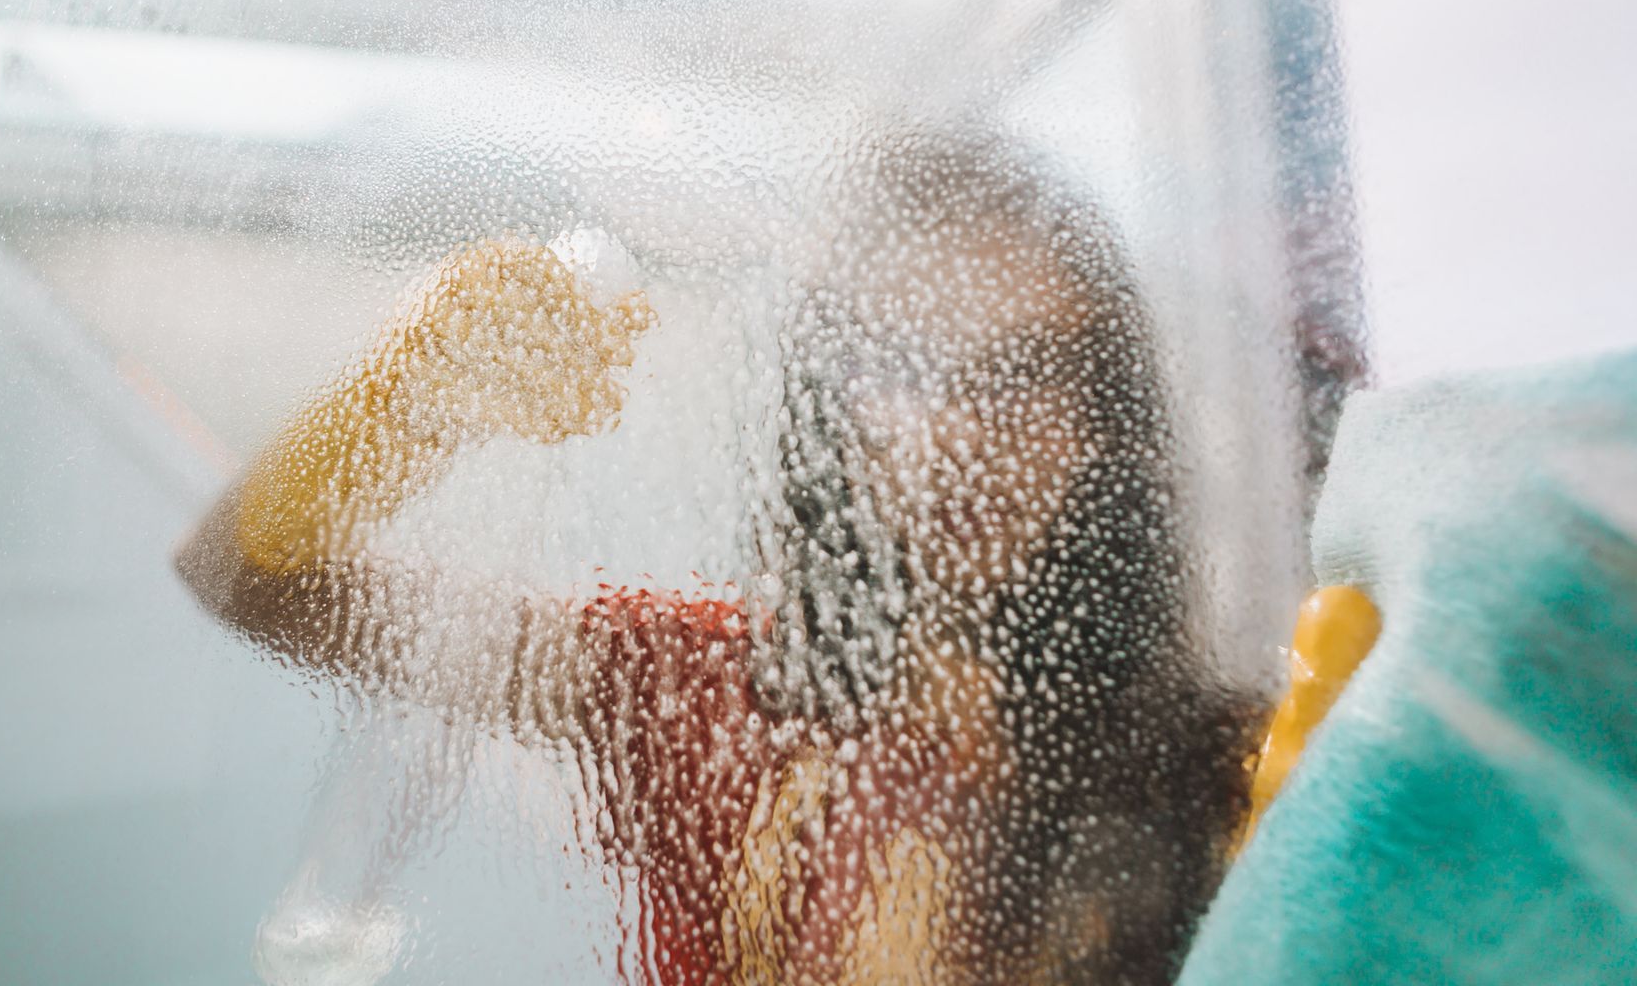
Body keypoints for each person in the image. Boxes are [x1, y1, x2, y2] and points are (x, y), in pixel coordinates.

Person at [176, 130, 1253, 985]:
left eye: (1022, 373)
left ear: (1108, 422)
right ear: (827, 409)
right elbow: (246, 577)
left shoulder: (1226, 766)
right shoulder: (699, 691)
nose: (955, 433)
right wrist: (410, 395)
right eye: (900, 363)